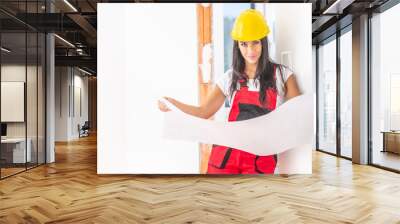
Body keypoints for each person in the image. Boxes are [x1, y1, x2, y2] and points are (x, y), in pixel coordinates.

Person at [158, 9, 301, 174]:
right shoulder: (230, 77)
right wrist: (171, 103)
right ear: (237, 45)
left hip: (259, 158)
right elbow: (203, 112)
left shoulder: (283, 75)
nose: (250, 51)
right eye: (244, 44)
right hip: (226, 155)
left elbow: (296, 117)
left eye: (255, 42)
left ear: (263, 42)